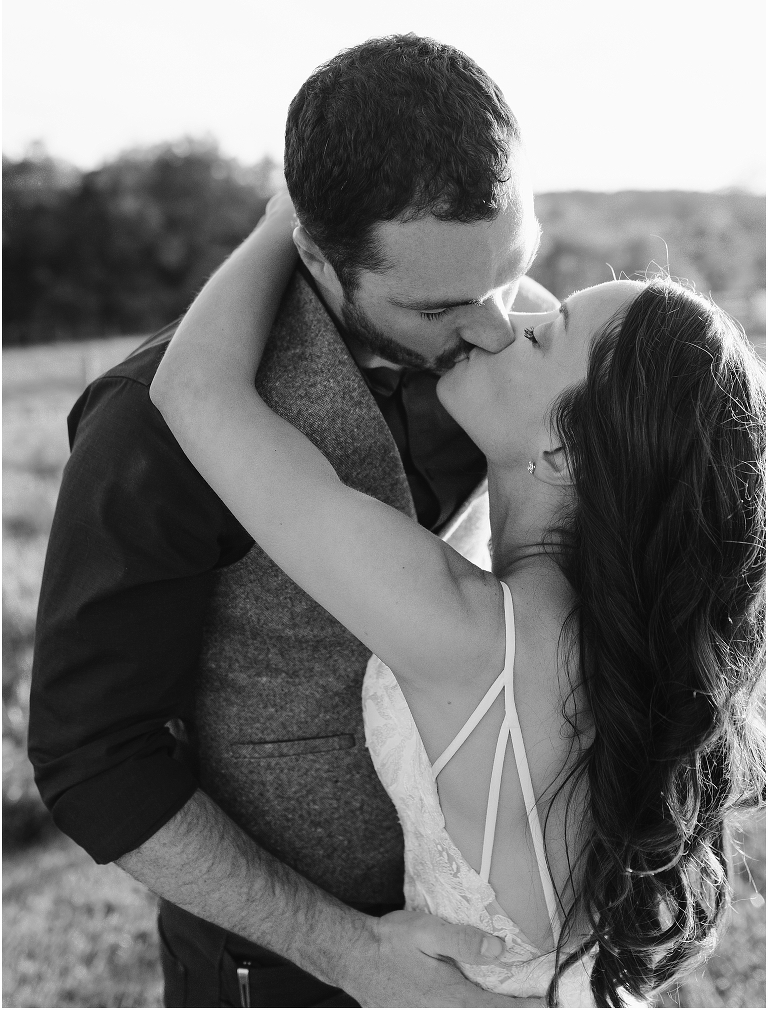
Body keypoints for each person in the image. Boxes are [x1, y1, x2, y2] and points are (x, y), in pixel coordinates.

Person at [29, 34, 561, 1008]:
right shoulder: (155, 424)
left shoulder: (529, 351)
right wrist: (351, 956)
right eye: (441, 303)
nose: (497, 324)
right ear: (316, 251)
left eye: (514, 267)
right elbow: (93, 759)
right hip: (280, 973)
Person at [149, 195, 766, 1007]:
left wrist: (293, 217)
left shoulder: (472, 633)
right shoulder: (607, 632)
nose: (504, 321)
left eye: (541, 334)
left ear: (561, 447)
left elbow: (194, 393)